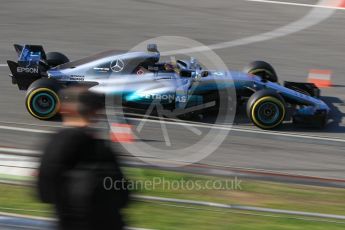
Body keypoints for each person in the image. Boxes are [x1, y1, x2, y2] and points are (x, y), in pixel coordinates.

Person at [37, 87, 129, 230]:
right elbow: (124, 196)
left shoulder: (54, 145)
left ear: (63, 109)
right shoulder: (103, 148)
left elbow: (44, 194)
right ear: (94, 113)